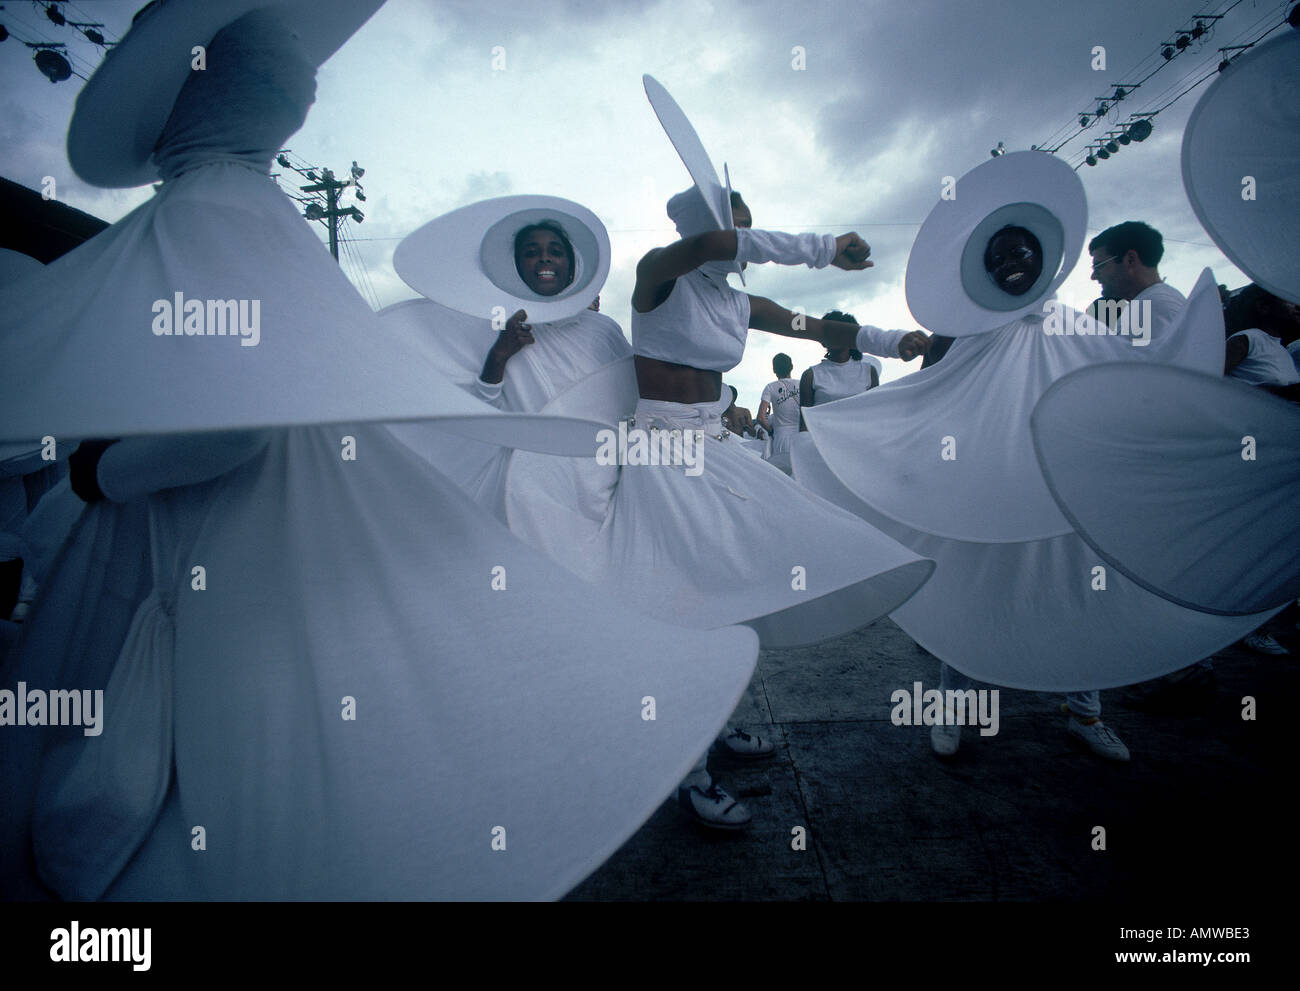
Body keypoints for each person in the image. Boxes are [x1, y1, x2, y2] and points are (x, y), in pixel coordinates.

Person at [0, 1, 760, 900]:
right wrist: (100, 471)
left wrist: (95, 472)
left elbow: (218, 410)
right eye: (286, 80)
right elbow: (243, 423)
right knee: (205, 750)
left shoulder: (199, 215)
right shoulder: (231, 214)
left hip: (183, 532)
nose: (307, 90)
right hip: (208, 540)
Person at [797, 151, 1278, 761]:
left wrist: (1191, 347)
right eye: (1000, 260)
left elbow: (1134, 379)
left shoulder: (1076, 324)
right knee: (968, 597)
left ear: (1043, 260)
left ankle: (1085, 712)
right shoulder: (963, 329)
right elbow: (925, 394)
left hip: (1061, 489)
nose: (1012, 265)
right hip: (981, 484)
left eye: (1021, 254)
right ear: (987, 275)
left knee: (1080, 595)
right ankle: (952, 712)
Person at [503, 178, 934, 829]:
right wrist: (819, 247)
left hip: (717, 448)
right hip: (664, 461)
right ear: (697, 231)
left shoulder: (741, 303)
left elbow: (817, 326)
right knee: (685, 606)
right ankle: (688, 772)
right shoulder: (658, 277)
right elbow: (708, 244)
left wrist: (887, 340)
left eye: (748, 225)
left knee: (739, 590)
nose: (741, 239)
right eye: (733, 227)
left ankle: (717, 720)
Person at [1087, 221, 1186, 343]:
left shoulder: (1151, 311)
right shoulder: (1158, 303)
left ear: (1130, 260)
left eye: (1099, 266)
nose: (1093, 276)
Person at [798, 311, 882, 420]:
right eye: (830, 332)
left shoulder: (869, 372)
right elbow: (805, 422)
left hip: (861, 435)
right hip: (823, 435)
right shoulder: (810, 376)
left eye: (840, 333)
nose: (835, 336)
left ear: (851, 337)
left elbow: (876, 413)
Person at [757, 353, 800, 472]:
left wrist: (771, 431)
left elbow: (760, 418)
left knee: (784, 479)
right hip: (802, 437)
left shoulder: (770, 388)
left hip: (781, 437)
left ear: (774, 369)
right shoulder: (802, 384)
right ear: (792, 366)